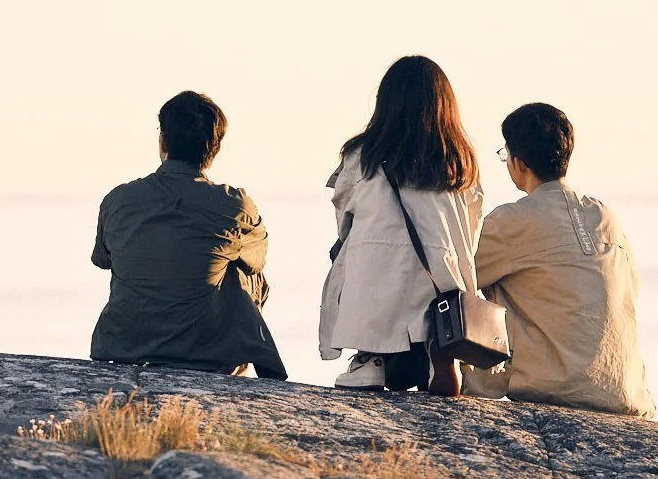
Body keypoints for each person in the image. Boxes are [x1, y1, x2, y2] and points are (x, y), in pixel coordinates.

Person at [464, 104, 655, 416]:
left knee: (479, 290)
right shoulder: (604, 216)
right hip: (626, 394)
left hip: (555, 391)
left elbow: (458, 277)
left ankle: (474, 387)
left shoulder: (512, 221)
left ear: (518, 162)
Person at [317, 56, 486, 395]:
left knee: (352, 251)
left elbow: (343, 218)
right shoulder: (460, 159)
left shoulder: (362, 154)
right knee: (435, 282)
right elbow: (472, 230)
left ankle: (371, 358)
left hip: (376, 287)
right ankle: (435, 352)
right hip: (441, 290)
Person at [91, 91, 286, 378]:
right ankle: (237, 363)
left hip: (121, 348)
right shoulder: (234, 205)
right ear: (215, 149)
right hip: (206, 355)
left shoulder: (118, 199)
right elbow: (258, 263)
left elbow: (102, 259)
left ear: (163, 140)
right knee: (241, 265)